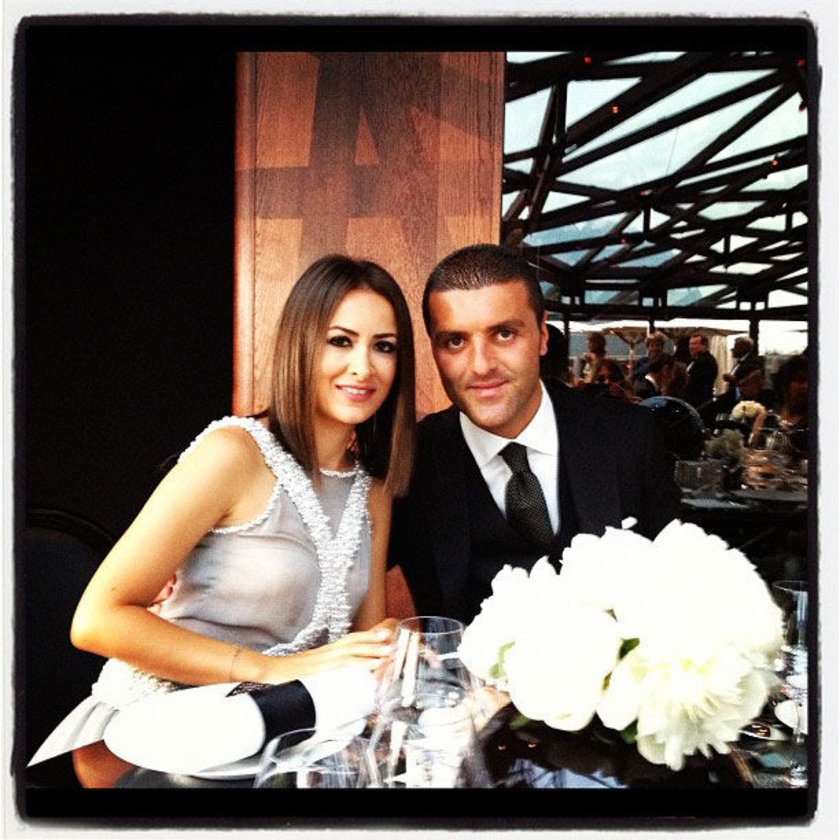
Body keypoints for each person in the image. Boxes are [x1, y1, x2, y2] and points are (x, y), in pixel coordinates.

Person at [30, 254, 417, 770]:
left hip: (274, 741)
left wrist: (395, 647)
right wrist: (272, 671)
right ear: (300, 343)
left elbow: (361, 645)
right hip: (148, 738)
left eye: (384, 347)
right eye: (340, 341)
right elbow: (97, 620)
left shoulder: (372, 490)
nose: (363, 367)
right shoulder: (234, 453)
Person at [389, 244, 680, 625]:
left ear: (543, 334)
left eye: (504, 334)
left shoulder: (629, 437)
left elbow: (679, 584)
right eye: (455, 341)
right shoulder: (408, 460)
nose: (481, 366)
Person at [750, 353, 808, 455]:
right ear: (784, 384)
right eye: (800, 380)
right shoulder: (766, 418)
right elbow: (752, 453)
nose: (806, 386)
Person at [697, 360, 776, 427]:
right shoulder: (721, 402)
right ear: (742, 384)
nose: (761, 384)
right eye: (755, 381)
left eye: (762, 379)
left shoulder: (766, 398)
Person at [685, 332, 718, 407]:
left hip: (700, 402)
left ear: (704, 345)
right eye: (690, 344)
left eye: (694, 344)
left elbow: (697, 382)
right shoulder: (694, 360)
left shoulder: (707, 361)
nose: (691, 347)